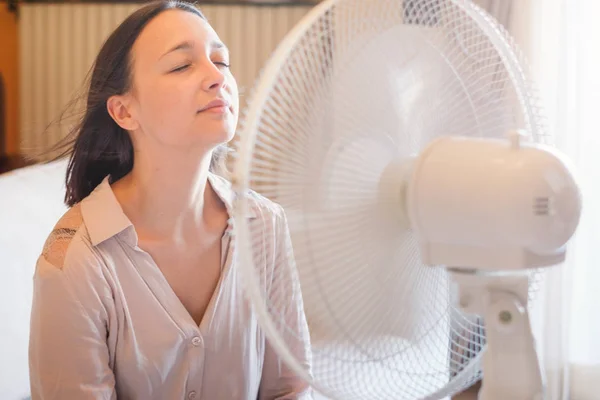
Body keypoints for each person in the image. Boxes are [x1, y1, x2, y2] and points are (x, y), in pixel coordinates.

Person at [28, 1, 313, 399]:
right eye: (182, 66)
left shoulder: (265, 225)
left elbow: (290, 386)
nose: (218, 78)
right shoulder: (77, 258)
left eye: (222, 60)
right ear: (124, 111)